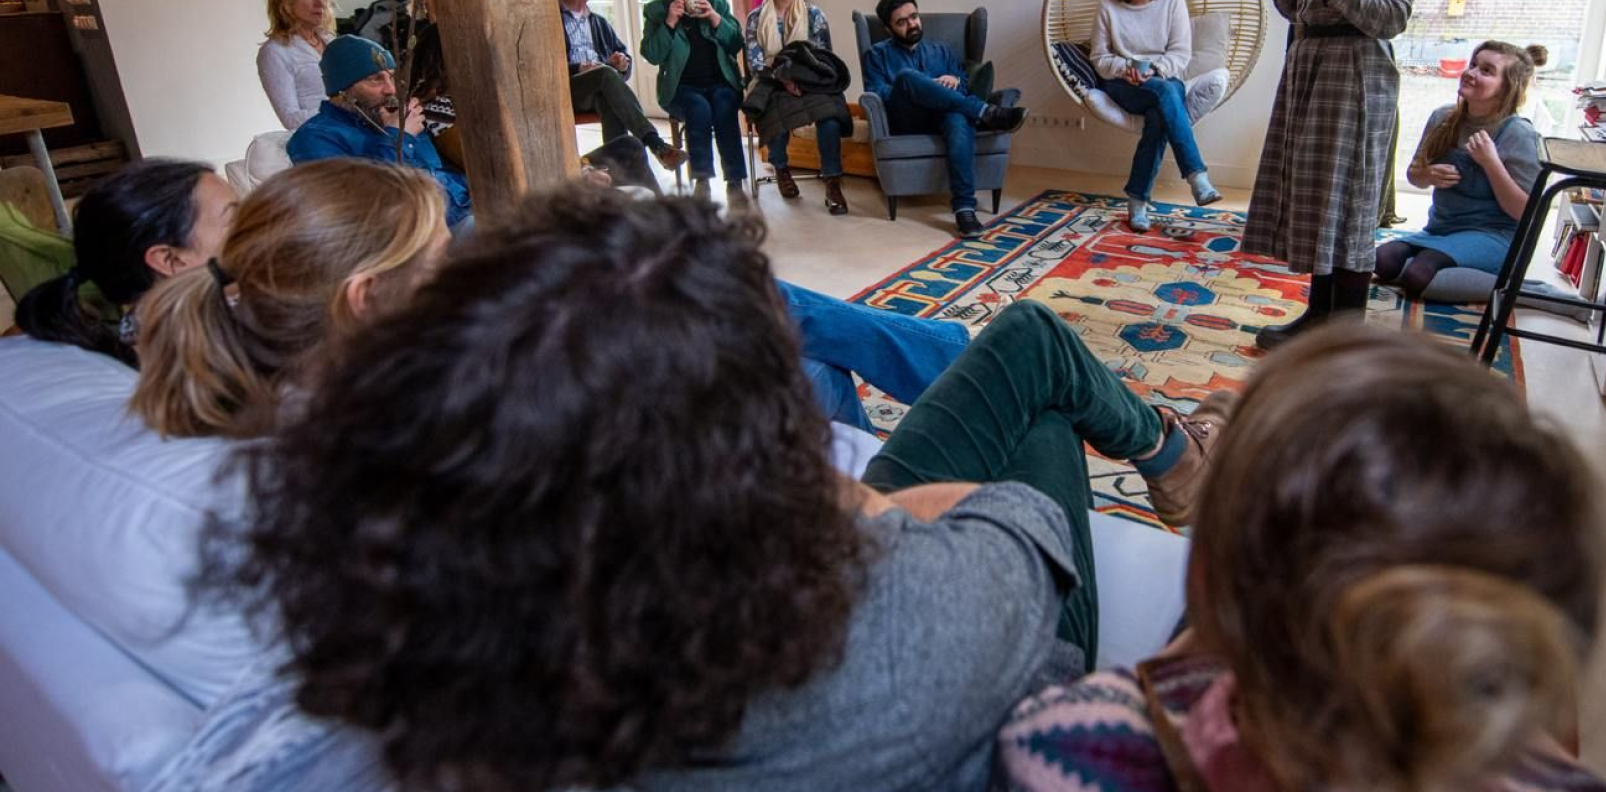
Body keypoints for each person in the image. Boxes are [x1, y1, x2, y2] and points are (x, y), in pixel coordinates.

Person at [212, 186, 1227, 792]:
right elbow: (1021, 524)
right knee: (1039, 384)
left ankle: (1170, 454)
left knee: (1024, 354)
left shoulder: (469, 631)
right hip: (987, 658)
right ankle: (1177, 458)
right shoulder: (928, 623)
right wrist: (868, 506)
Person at [996, 324, 1606, 792]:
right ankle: (1205, 448)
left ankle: (1207, 455)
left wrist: (1196, 645)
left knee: (1040, 374)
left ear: (1208, 576)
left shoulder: (1069, 745)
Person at [1239, 0, 1426, 348]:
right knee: (1326, 203)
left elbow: (1391, 15)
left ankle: (1342, 338)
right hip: (1318, 75)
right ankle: (1318, 321)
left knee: (1347, 207)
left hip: (1353, 81)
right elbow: (1313, 13)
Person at [129, 159, 451, 440]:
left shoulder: (249, 383)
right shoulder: (388, 439)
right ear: (363, 298)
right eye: (441, 261)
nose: (456, 273)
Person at [12, 159, 237, 366]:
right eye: (235, 218)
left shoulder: (149, 326)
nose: (255, 224)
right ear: (169, 259)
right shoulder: (205, 355)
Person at [1378, 41, 1548, 297]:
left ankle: (1521, 292)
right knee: (1382, 260)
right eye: (1473, 64)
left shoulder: (1519, 134)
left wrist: (1491, 163)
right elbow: (1414, 176)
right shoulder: (1442, 117)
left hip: (1495, 236)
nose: (1471, 72)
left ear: (1507, 88)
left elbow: (1526, 213)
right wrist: (1427, 175)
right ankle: (1447, 269)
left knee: (1418, 277)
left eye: (1486, 70)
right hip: (1440, 229)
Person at [861, 0, 1028, 235]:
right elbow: (877, 92)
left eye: (913, 17)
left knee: (957, 117)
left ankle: (964, 210)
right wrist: (921, 86)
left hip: (944, 117)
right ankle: (985, 112)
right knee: (907, 77)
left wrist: (956, 80)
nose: (912, 24)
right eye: (902, 22)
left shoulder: (941, 50)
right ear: (888, 29)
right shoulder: (877, 55)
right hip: (907, 119)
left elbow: (961, 87)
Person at [1089, 0, 1221, 231]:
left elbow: (1181, 53)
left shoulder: (1173, 0)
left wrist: (1155, 70)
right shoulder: (1108, 5)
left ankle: (1137, 202)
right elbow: (1099, 57)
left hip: (1163, 78)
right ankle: (1196, 176)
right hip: (1123, 84)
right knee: (1165, 96)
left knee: (1159, 110)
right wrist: (1126, 68)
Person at [286, 36, 473, 231]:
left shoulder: (388, 116)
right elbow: (369, 207)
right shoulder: (314, 139)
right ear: (341, 89)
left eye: (391, 77)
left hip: (466, 210)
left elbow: (438, 174)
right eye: (375, 79)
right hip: (425, 235)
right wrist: (398, 138)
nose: (390, 89)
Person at [554, 0, 688, 175]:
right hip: (567, 89)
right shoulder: (549, 20)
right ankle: (655, 144)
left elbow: (623, 56)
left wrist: (621, 62)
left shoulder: (598, 21)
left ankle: (618, 173)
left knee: (608, 101)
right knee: (605, 74)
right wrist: (580, 67)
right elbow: (546, 68)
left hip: (598, 87)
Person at [744, 0, 851, 215]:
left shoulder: (814, 15)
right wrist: (783, 80)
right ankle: (781, 168)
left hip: (811, 81)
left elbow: (824, 57)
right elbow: (755, 62)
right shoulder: (756, 18)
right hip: (771, 81)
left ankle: (832, 180)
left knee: (830, 115)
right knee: (776, 113)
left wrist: (802, 80)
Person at [640, 0, 751, 210]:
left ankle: (735, 181)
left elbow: (736, 44)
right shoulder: (657, 11)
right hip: (681, 89)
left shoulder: (717, 2)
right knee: (698, 109)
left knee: (724, 106)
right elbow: (652, 54)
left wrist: (714, 17)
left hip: (721, 83)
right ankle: (702, 180)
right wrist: (670, 22)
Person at [256, 0, 336, 130]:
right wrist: (342, 109)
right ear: (285, 3)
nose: (320, 3)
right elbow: (290, 119)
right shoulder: (275, 51)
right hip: (321, 140)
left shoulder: (331, 42)